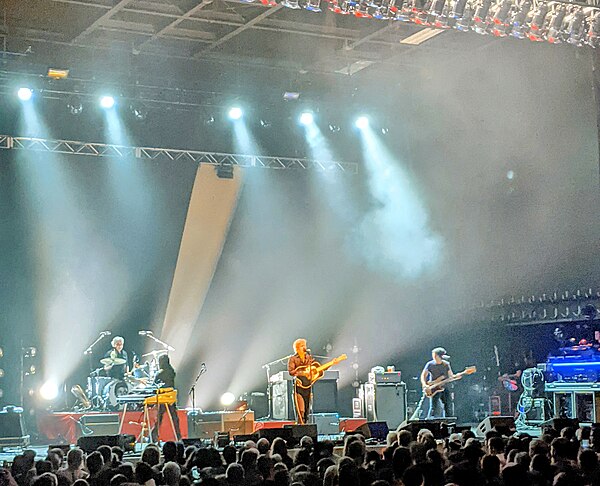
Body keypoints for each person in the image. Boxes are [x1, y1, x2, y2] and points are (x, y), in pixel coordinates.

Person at [411, 347, 459, 419]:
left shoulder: (446, 364)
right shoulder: (430, 364)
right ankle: (431, 420)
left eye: (434, 355)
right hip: (434, 388)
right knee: (434, 407)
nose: (433, 356)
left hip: (444, 387)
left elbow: (451, 376)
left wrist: (457, 376)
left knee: (448, 406)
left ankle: (449, 422)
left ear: (437, 356)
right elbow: (423, 375)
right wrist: (424, 385)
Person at [151, 354, 182, 442]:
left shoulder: (160, 373)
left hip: (163, 397)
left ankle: (154, 435)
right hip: (171, 397)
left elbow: (154, 385)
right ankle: (178, 436)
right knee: (174, 418)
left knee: (160, 417)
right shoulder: (172, 371)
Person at [287, 338, 314, 425]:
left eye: (304, 345)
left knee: (307, 408)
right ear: (297, 348)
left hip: (308, 384)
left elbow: (312, 369)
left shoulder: (308, 357)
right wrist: (300, 372)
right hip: (298, 384)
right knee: (300, 409)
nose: (304, 347)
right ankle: (300, 425)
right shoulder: (293, 358)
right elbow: (291, 371)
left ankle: (306, 424)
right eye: (302, 346)